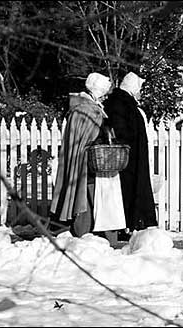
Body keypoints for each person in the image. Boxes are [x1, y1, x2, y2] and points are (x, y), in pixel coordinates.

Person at [50, 72, 125, 245]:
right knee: (86, 194)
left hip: (97, 160)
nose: (105, 95)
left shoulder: (91, 107)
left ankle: (93, 231)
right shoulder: (84, 110)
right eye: (104, 91)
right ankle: (85, 231)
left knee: (95, 194)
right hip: (88, 161)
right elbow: (84, 137)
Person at [103, 72, 158, 237]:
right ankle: (126, 224)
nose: (140, 90)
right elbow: (120, 129)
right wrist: (129, 141)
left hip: (131, 156)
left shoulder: (124, 102)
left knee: (129, 190)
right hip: (127, 158)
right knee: (126, 190)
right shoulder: (121, 103)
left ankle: (131, 223)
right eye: (139, 87)